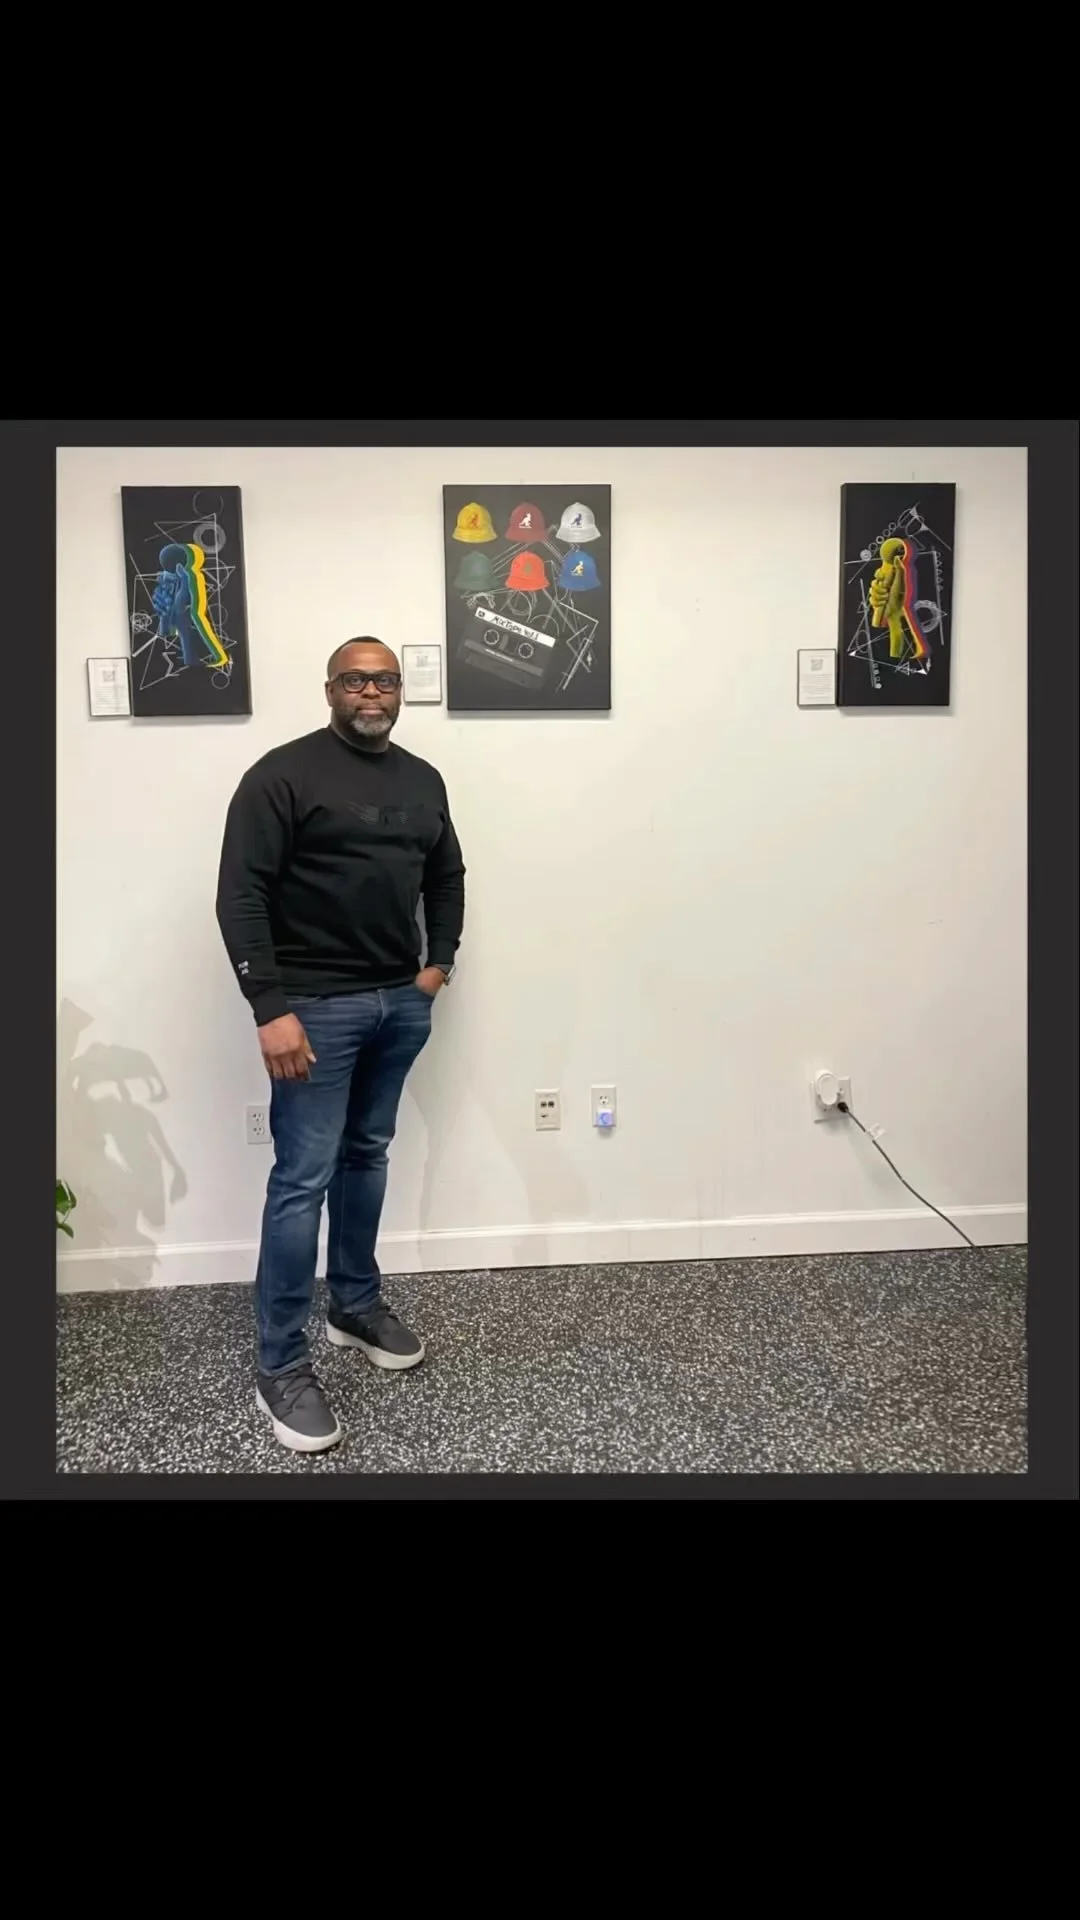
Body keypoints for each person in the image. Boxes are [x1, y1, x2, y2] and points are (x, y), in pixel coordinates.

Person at [215, 638, 465, 1452]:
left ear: (399, 692)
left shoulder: (423, 780)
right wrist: (270, 1007)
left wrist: (437, 966)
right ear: (330, 690)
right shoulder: (282, 775)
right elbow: (240, 892)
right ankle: (280, 1365)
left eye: (385, 680)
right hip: (313, 1011)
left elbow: (447, 876)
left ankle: (354, 1305)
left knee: (367, 1156)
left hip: (400, 1002)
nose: (372, 692)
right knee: (302, 1180)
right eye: (356, 679)